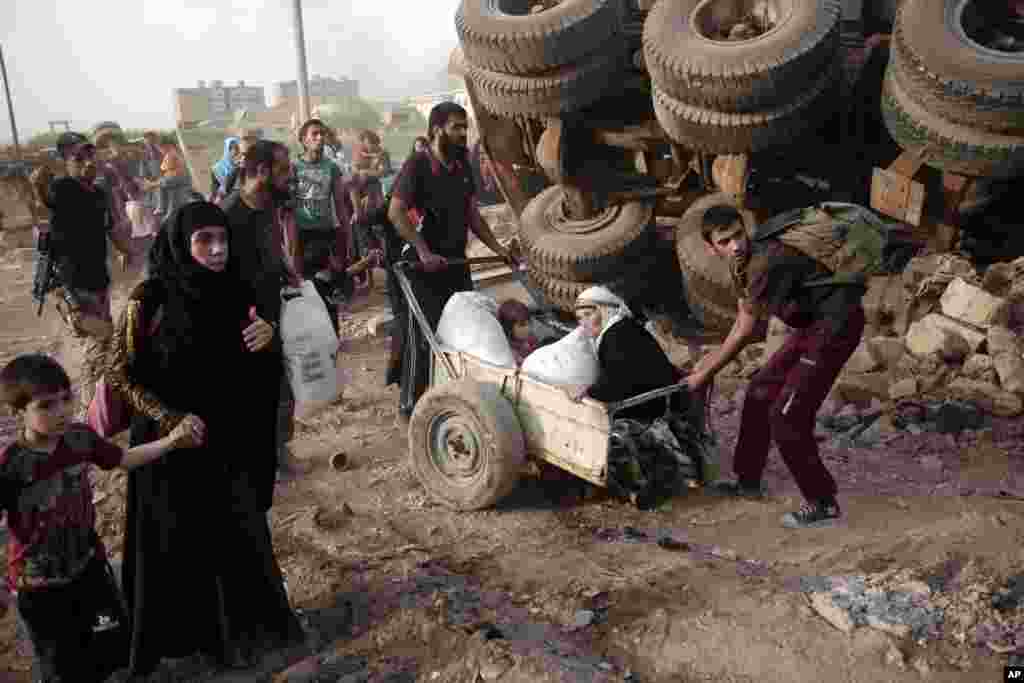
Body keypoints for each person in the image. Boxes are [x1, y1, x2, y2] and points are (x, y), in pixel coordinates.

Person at [103, 201, 306, 674]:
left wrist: (267, 339)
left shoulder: (239, 292)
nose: (217, 250)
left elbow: (255, 370)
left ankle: (244, 634)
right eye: (204, 242)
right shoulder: (147, 300)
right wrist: (170, 420)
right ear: (180, 244)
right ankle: (187, 642)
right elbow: (120, 374)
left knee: (238, 538)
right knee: (178, 546)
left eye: (223, 240)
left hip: (227, 444)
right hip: (171, 449)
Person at [0, 353, 202, 682]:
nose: (62, 411)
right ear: (17, 412)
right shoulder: (11, 465)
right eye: (46, 405)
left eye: (67, 399)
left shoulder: (80, 438)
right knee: (65, 666)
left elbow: (124, 458)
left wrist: (171, 441)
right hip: (40, 589)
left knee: (109, 643)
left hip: (89, 571)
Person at [683, 204, 867, 529]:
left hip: (837, 325)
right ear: (712, 247)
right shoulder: (740, 264)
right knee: (759, 392)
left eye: (738, 235)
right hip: (813, 326)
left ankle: (823, 503)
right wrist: (706, 365)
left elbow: (745, 331)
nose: (735, 245)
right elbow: (743, 312)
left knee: (787, 416)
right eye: (725, 241)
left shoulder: (765, 261)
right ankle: (747, 481)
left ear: (745, 228)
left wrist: (703, 375)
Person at [388, 101, 517, 420]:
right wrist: (423, 251)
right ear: (436, 130)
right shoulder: (418, 165)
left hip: (455, 264)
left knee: (460, 330)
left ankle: (451, 396)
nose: (463, 133)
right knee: (425, 335)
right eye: (456, 127)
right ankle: (411, 405)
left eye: (465, 126)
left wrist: (499, 249)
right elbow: (395, 212)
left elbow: (472, 215)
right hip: (421, 267)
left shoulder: (462, 167)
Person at [29, 132, 131, 420]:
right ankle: (87, 410)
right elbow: (45, 202)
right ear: (66, 162)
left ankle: (94, 405)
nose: (88, 163)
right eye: (78, 158)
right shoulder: (63, 189)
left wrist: (124, 250)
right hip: (72, 285)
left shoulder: (97, 193)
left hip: (98, 281)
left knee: (100, 347)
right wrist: (38, 186)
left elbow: (108, 228)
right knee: (104, 339)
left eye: (91, 156)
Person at [221, 140, 302, 480]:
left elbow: (271, 248)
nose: (290, 177)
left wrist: (287, 269)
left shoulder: (268, 205)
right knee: (251, 396)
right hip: (243, 324)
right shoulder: (228, 216)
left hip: (271, 315)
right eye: (283, 171)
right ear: (262, 172)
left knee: (281, 389)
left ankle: (278, 450)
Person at [566, 286, 681, 421]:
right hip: (655, 399)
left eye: (588, 315)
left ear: (606, 311)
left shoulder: (616, 336)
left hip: (655, 406)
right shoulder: (621, 329)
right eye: (580, 318)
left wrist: (588, 395)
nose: (583, 323)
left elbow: (619, 382)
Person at [293, 118, 351, 310]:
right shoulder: (294, 168)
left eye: (322, 134)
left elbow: (340, 204)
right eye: (314, 134)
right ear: (303, 139)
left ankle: (331, 330)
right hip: (301, 235)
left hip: (325, 233)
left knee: (328, 287)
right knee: (306, 285)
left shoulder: (331, 167)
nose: (320, 137)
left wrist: (347, 235)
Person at [155, 146, 195, 226]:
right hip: (176, 195)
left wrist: (153, 184)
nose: (160, 150)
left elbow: (168, 181)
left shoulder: (176, 161)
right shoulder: (171, 158)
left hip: (180, 196)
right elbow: (165, 179)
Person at [497, 299, 538, 365]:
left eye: (529, 322)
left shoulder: (530, 339)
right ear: (508, 328)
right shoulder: (510, 353)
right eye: (522, 325)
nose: (528, 328)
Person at [209, 136, 240, 204]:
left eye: (237, 149)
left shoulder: (239, 166)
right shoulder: (217, 168)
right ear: (226, 149)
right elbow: (214, 188)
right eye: (231, 148)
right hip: (221, 200)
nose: (234, 151)